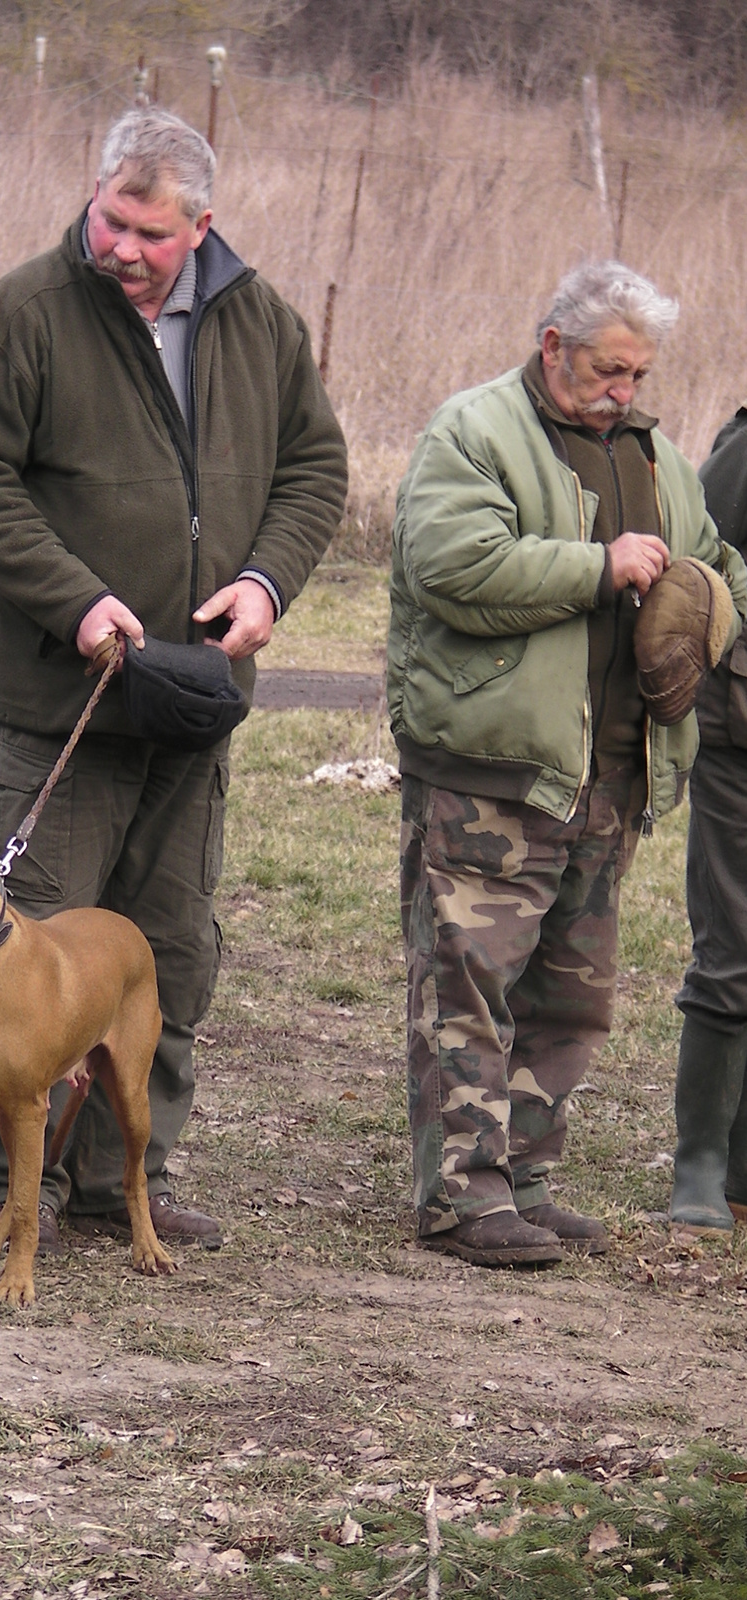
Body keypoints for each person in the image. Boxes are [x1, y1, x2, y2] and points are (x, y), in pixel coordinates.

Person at [0, 107, 347, 1252]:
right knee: (27, 955)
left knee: (166, 951)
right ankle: (8, 1191)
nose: (122, 247)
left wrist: (266, 581)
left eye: (151, 233)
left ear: (201, 226)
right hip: (64, 703)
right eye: (112, 218)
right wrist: (74, 601)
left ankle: (126, 1181)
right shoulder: (23, 316)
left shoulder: (261, 320)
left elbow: (315, 468)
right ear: (94, 192)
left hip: (195, 702)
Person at [387, 260, 747, 1268]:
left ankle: (527, 1175)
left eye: (638, 373)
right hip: (490, 768)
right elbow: (453, 567)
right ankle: (462, 1194)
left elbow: (721, 565)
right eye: (608, 368)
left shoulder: (660, 457)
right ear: (555, 345)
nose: (626, 390)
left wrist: (705, 596)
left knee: (570, 996)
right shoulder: (474, 431)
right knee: (468, 983)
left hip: (611, 773)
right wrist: (602, 564)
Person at [670, 407, 747, 1233]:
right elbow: (701, 574)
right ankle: (702, 1163)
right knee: (732, 943)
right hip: (739, 734)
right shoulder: (745, 449)